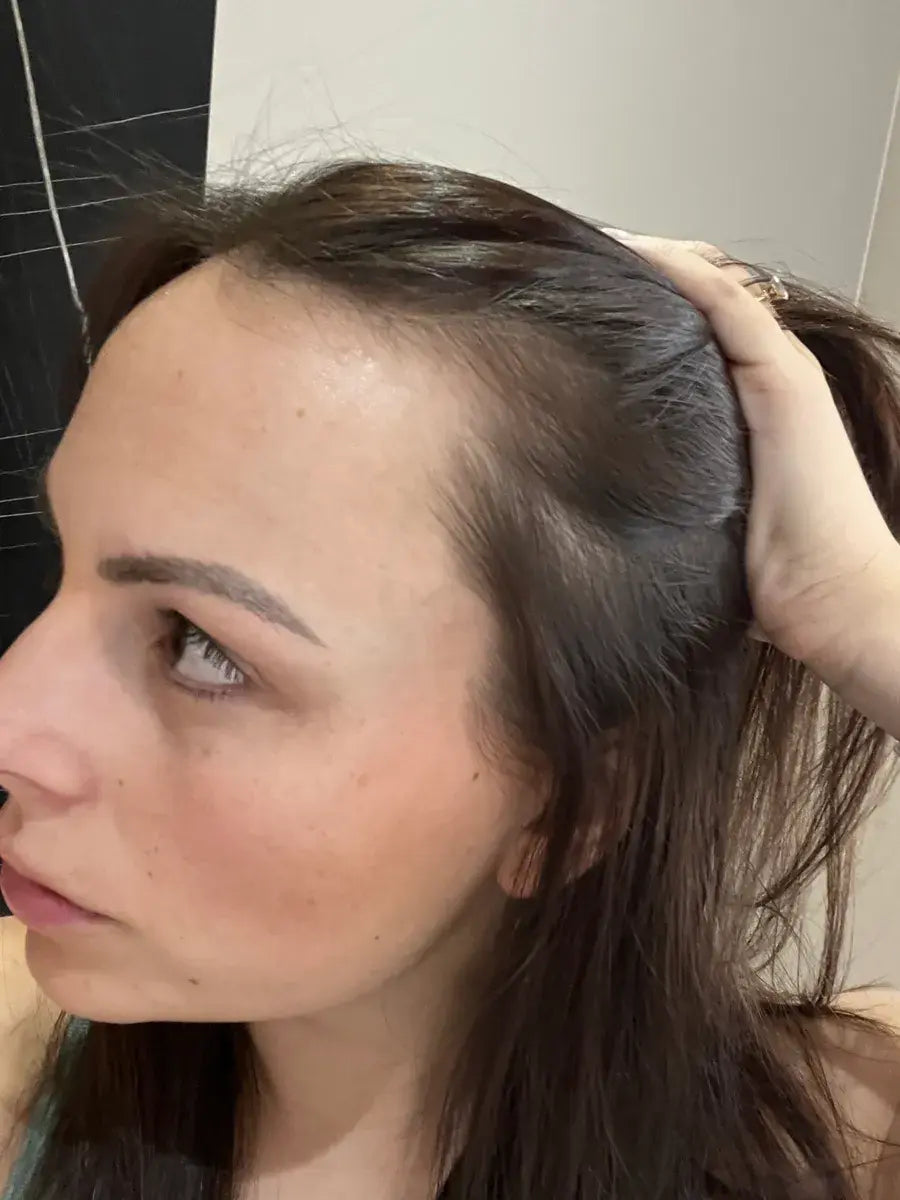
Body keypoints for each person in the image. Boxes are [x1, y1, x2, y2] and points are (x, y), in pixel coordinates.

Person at [0, 160, 897, 1200]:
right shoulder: (21, 1058)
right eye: (66, 563)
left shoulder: (842, 1138)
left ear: (571, 804)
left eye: (203, 647)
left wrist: (862, 610)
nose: (14, 724)